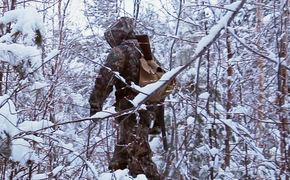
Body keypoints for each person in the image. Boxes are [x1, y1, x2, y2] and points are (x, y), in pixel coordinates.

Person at [89, 17, 161, 179]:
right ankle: (116, 175)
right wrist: (157, 117)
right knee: (123, 153)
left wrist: (95, 105)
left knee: (139, 157)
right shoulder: (146, 52)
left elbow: (105, 78)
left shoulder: (120, 51)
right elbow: (162, 81)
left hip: (131, 109)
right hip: (148, 109)